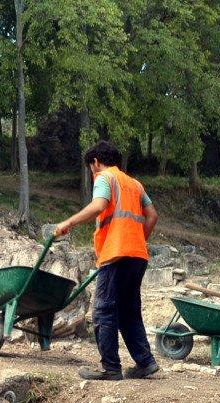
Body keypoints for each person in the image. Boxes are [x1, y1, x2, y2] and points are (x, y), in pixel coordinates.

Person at [53, 140, 160, 381]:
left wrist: (68, 223)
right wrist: (137, 240)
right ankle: (146, 362)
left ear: (95, 162)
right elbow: (152, 215)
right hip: (137, 256)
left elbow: (99, 205)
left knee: (103, 311)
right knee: (128, 312)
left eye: (90, 169)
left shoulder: (104, 178)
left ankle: (110, 368)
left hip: (116, 254)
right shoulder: (134, 184)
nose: (92, 174)